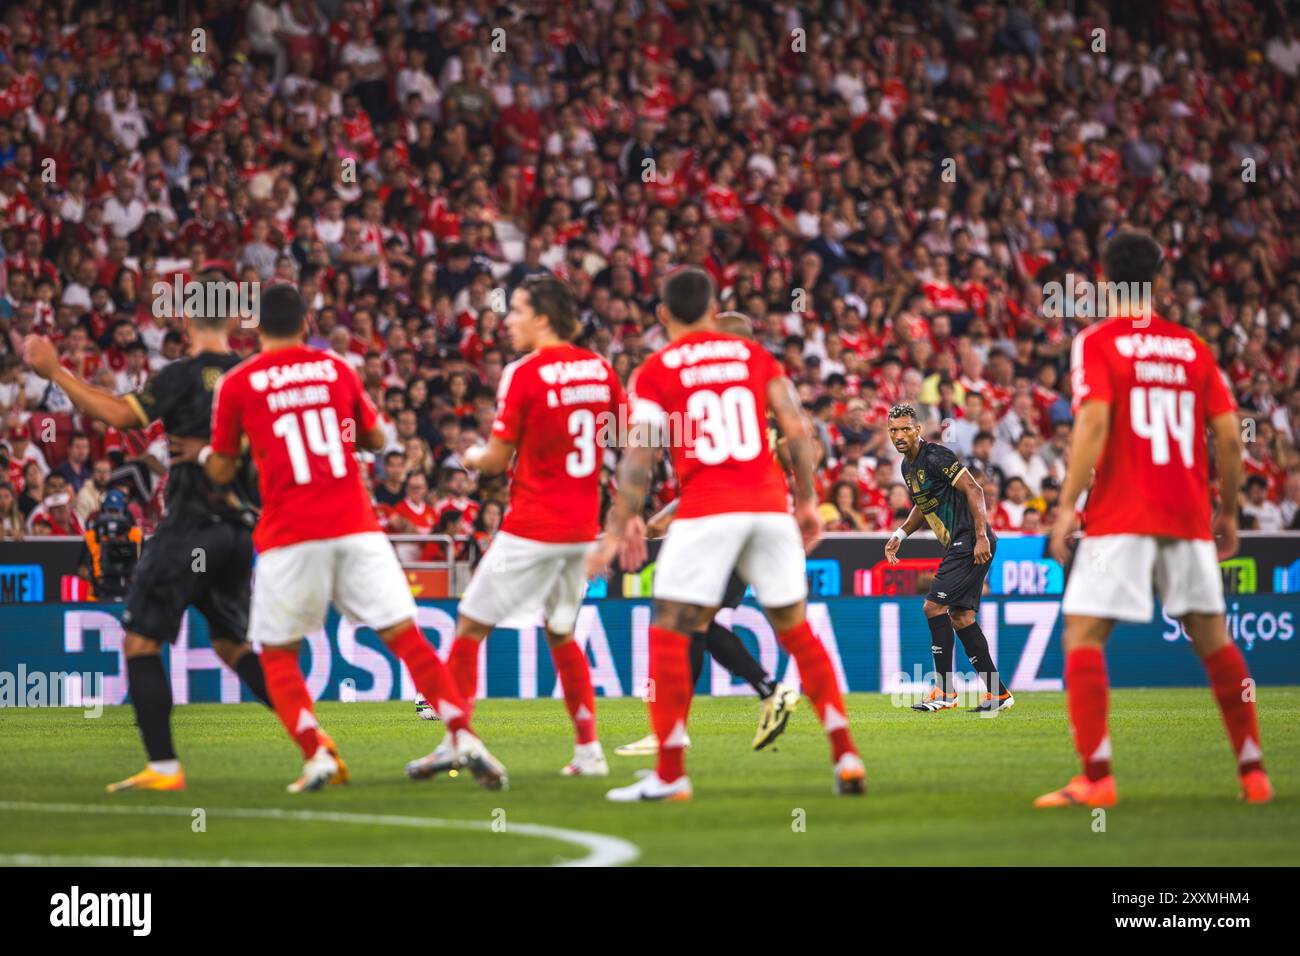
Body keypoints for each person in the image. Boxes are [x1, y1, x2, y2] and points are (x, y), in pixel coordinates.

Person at [203, 285, 505, 793]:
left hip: (289, 532)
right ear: (305, 324)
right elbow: (375, 438)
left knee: (277, 653)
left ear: (254, 330)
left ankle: (316, 752)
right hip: (355, 526)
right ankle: (462, 734)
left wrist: (209, 454)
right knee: (406, 637)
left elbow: (221, 467)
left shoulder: (237, 383)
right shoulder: (336, 369)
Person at [589, 267, 865, 801]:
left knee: (670, 631)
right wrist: (807, 502)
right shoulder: (754, 358)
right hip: (769, 508)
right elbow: (799, 429)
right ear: (714, 311)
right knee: (797, 633)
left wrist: (624, 519)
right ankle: (846, 754)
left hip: (706, 510)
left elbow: (639, 454)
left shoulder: (656, 369)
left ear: (663, 316)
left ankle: (671, 775)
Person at [1041, 230, 1272, 808]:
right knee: (1215, 640)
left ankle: (1096, 780)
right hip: (1187, 513)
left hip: (1122, 514)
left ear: (1103, 278)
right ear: (1160, 280)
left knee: (1083, 635)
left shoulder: (1097, 341)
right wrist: (1228, 509)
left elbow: (1092, 423)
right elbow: (1226, 432)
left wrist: (1066, 505)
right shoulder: (1192, 347)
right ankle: (1253, 774)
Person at [23, 285, 271, 793]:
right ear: (234, 320)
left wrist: (55, 372)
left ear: (184, 317)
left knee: (139, 640)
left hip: (190, 529)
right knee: (231, 644)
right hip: (238, 532)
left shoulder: (180, 376)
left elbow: (115, 415)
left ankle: (163, 767)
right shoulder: (254, 375)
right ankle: (315, 742)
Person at [408, 275, 621, 780]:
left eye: (517, 311)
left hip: (533, 526)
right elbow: (630, 436)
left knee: (470, 625)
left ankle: (458, 737)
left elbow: (497, 460)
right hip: (581, 529)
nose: (508, 320)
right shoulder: (601, 369)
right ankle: (589, 752)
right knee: (563, 632)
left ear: (543, 317)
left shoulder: (524, 373)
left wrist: (473, 454)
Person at [885, 404, 1014, 712]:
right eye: (893, 430)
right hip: (962, 542)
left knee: (933, 607)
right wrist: (900, 534)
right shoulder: (907, 467)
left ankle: (945, 692)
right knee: (961, 617)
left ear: (917, 430)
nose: (899, 435)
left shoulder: (936, 456)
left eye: (905, 429)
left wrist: (981, 535)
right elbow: (924, 506)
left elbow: (974, 489)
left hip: (970, 539)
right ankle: (997, 694)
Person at [80, 488, 143, 602]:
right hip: (99, 594)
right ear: (103, 511)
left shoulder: (136, 535)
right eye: (110, 511)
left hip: (130, 592)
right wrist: (91, 573)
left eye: (116, 512)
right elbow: (81, 568)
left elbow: (145, 565)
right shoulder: (91, 536)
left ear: (123, 512)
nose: (113, 517)